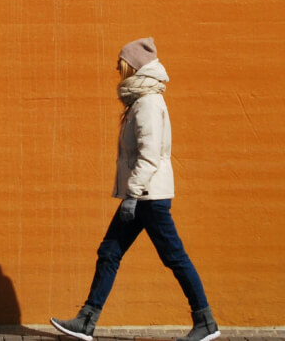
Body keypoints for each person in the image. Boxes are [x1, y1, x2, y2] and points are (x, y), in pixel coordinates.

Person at [50, 37, 219, 341]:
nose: (117, 66)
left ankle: (205, 322)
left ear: (134, 66)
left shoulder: (148, 103)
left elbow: (150, 152)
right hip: (142, 196)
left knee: (174, 257)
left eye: (121, 62)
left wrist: (132, 193)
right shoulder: (141, 101)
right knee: (109, 252)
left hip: (148, 198)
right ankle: (86, 321)